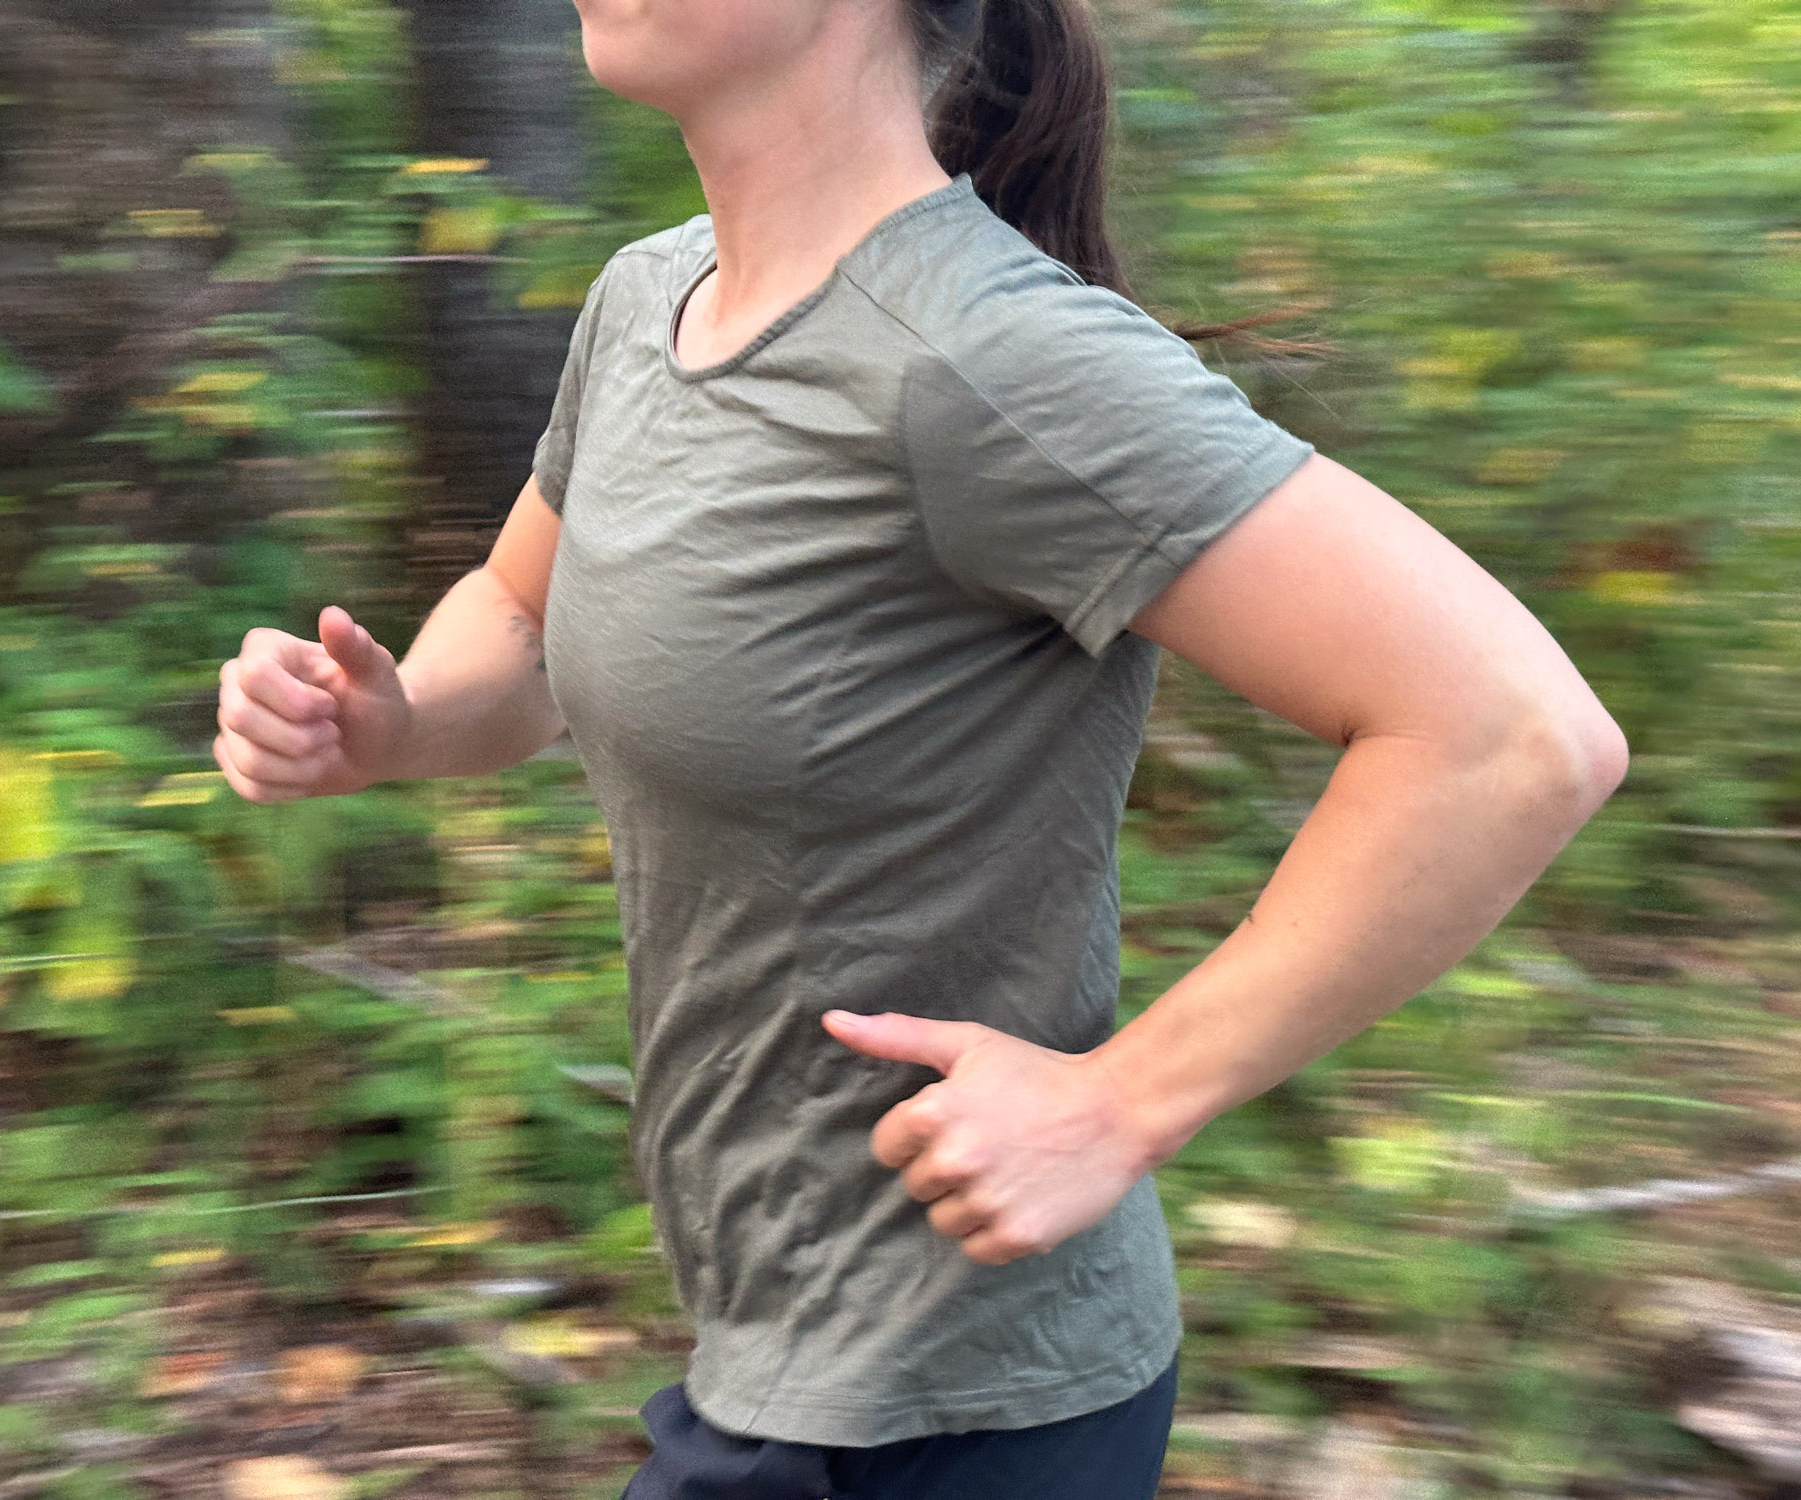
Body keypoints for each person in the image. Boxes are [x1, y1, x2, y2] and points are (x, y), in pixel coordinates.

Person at [211, 0, 1629, 1494]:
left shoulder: (982, 355)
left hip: (953, 1412)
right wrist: (398, 725)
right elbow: (520, 608)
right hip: (774, 1345)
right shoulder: (648, 306)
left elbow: (1509, 733)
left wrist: (1125, 1101)